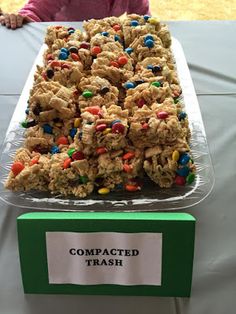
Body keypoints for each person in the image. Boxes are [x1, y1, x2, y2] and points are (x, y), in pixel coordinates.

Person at [0, 0, 150, 30]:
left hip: (102, 46)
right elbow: (37, 10)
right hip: (65, 42)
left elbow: (143, 19)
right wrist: (21, 18)